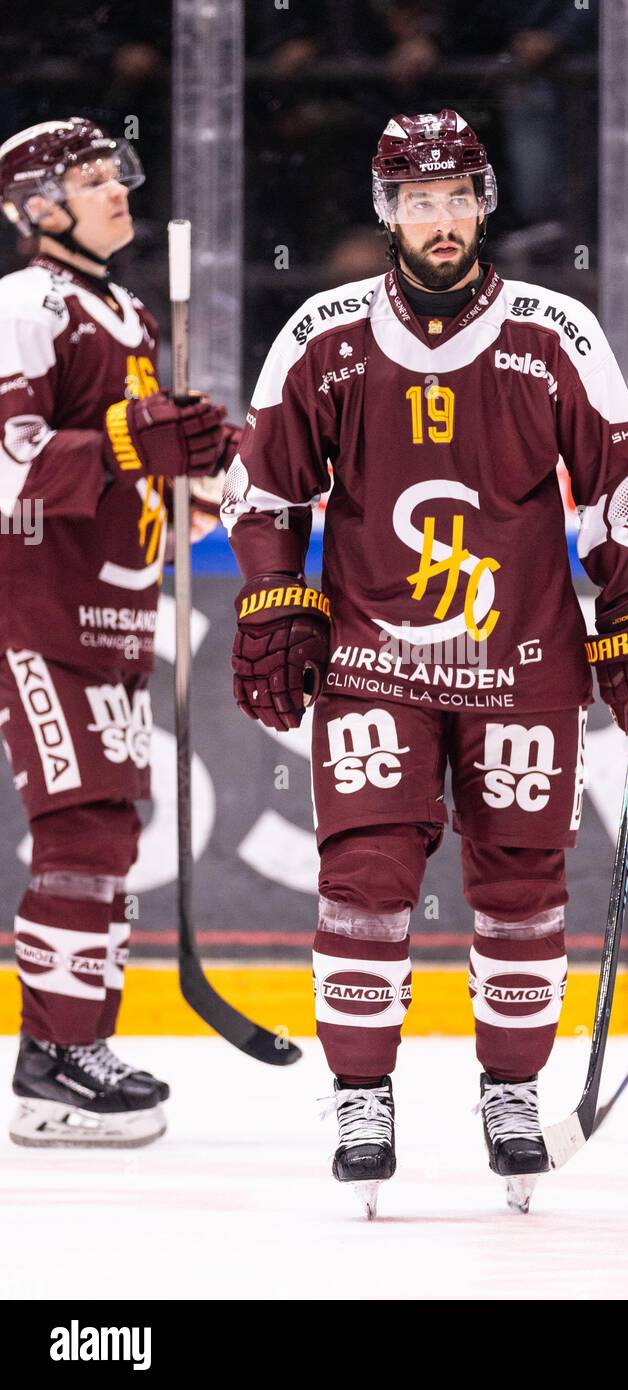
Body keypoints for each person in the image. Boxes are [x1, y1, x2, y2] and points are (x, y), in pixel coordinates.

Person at [224, 110, 628, 1213]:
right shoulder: (323, 333)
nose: (441, 220)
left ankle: (513, 1094)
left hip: (522, 659)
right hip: (372, 662)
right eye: (418, 200)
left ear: (484, 201)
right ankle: (359, 1095)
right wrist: (274, 604)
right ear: (387, 210)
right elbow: (268, 491)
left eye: (458, 197)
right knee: (365, 881)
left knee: (523, 887)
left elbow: (622, 499)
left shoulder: (553, 332)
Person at [0, 118, 238, 1147]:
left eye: (115, 173)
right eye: (89, 179)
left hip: (113, 612)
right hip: (36, 610)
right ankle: (52, 1060)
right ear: (33, 210)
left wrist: (203, 473)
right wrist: (135, 438)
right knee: (81, 824)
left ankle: (71, 1046)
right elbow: (11, 463)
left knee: (106, 831)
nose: (113, 190)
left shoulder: (132, 316)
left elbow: (142, 481)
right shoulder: (22, 305)